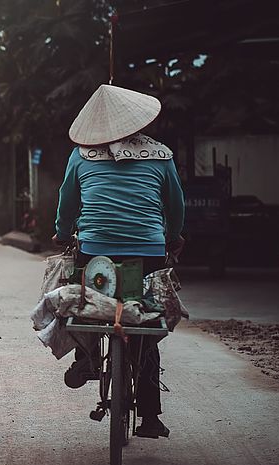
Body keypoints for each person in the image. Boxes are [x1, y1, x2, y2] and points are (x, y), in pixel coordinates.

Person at [52, 84, 185, 439]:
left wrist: (62, 232)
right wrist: (173, 237)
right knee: (147, 323)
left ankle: (87, 359)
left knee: (83, 302)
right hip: (150, 251)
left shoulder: (81, 155)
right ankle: (151, 417)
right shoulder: (161, 155)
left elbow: (67, 203)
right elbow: (176, 207)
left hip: (95, 249)